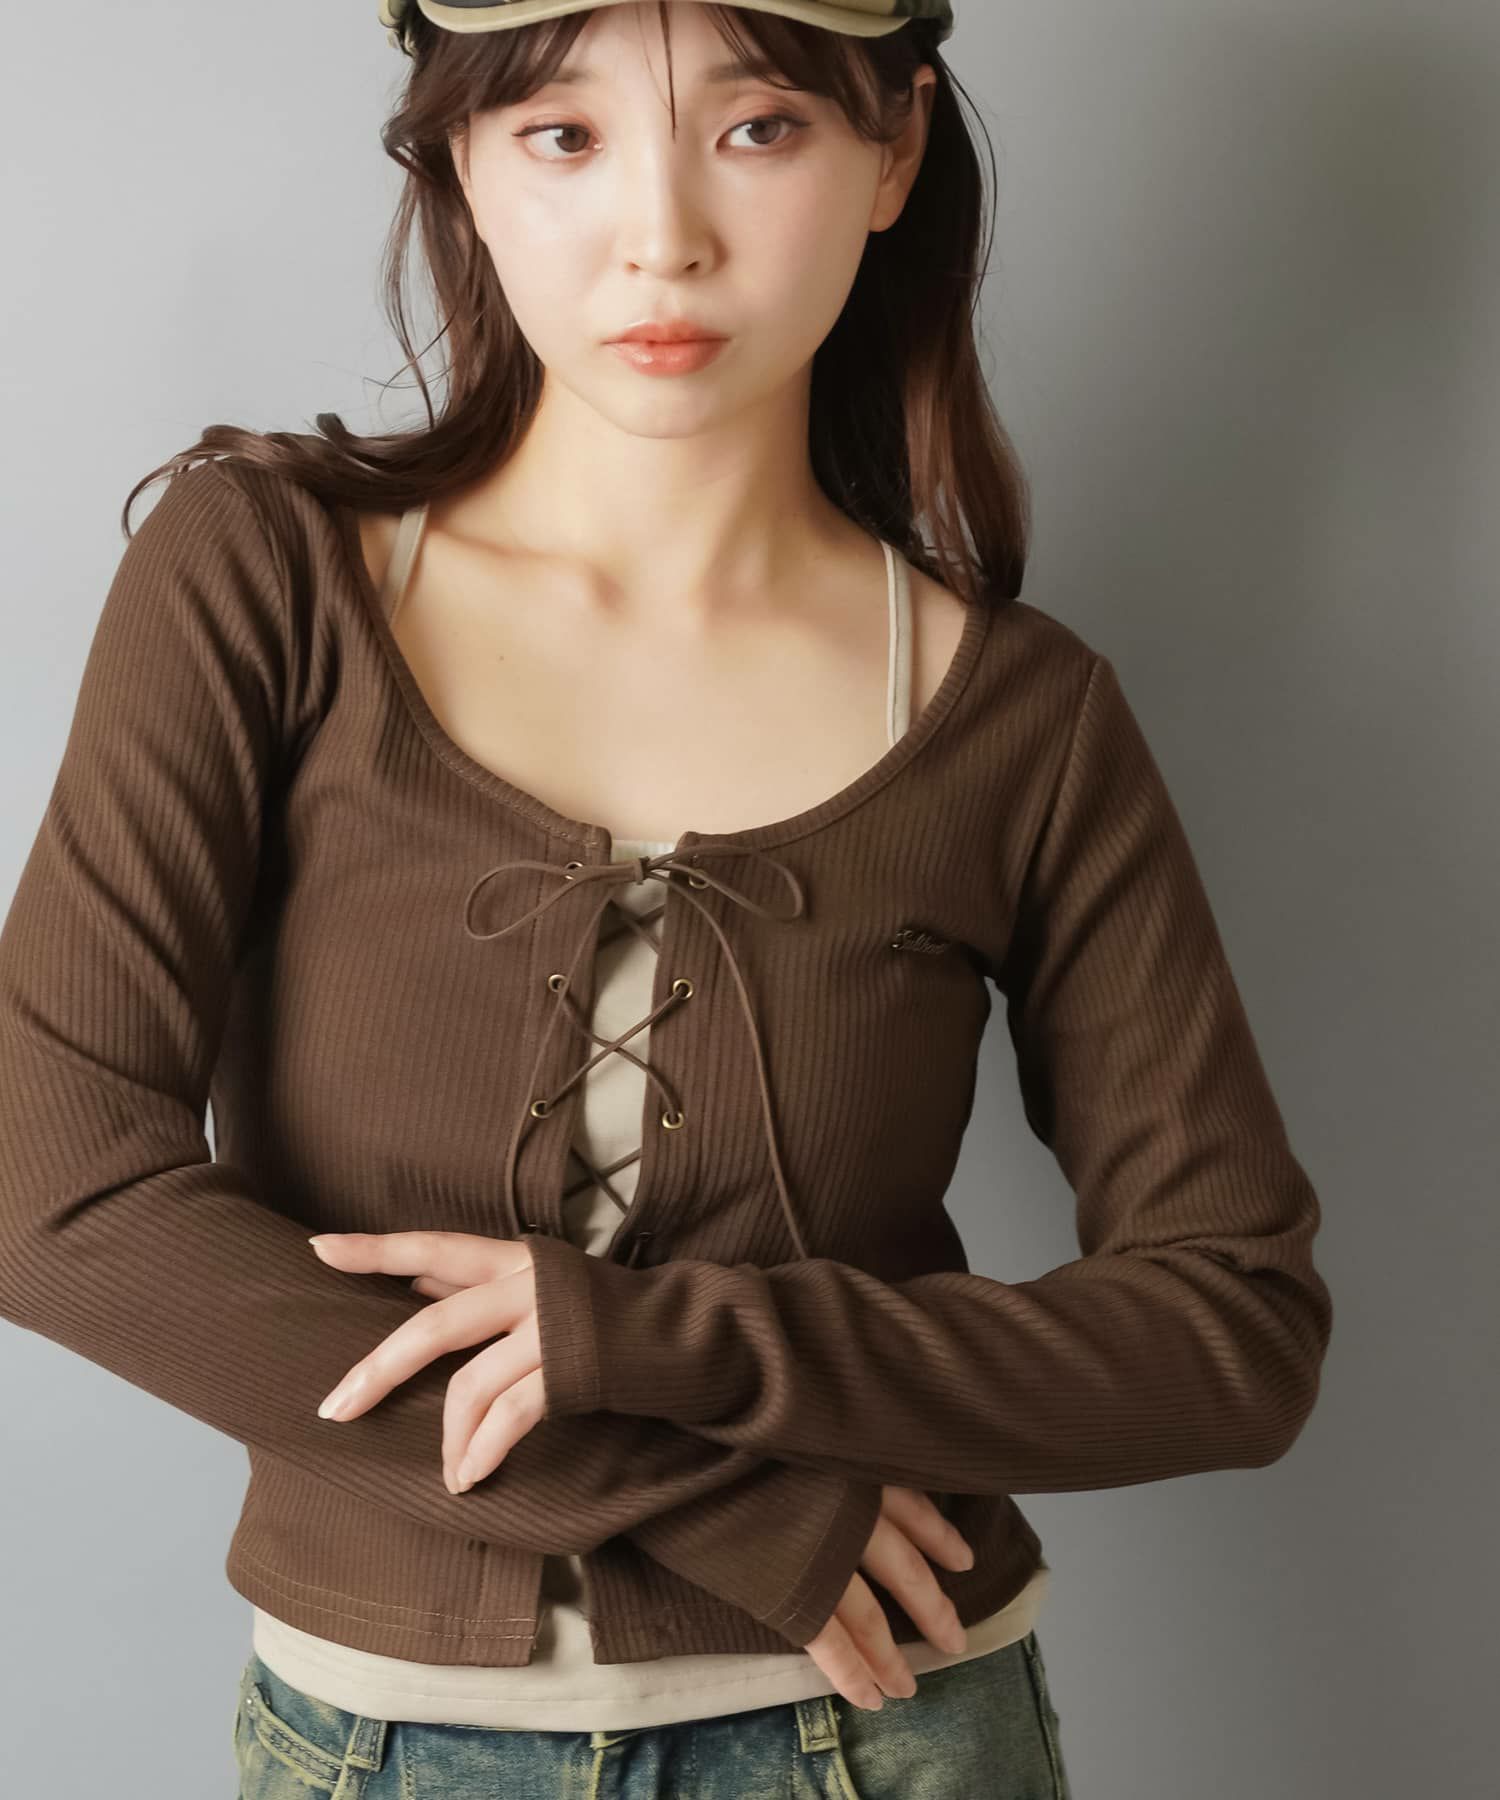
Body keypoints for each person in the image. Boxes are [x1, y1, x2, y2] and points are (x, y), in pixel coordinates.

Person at [0, 2, 1332, 1795]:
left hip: (896, 1736)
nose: (663, 236)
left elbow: (1233, 1334)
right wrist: (716, 1499)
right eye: (565, 136)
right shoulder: (261, 577)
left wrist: (647, 1344)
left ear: (895, 150)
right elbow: (49, 1188)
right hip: (383, 1747)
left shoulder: (1024, 717)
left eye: (759, 127)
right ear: (461, 160)